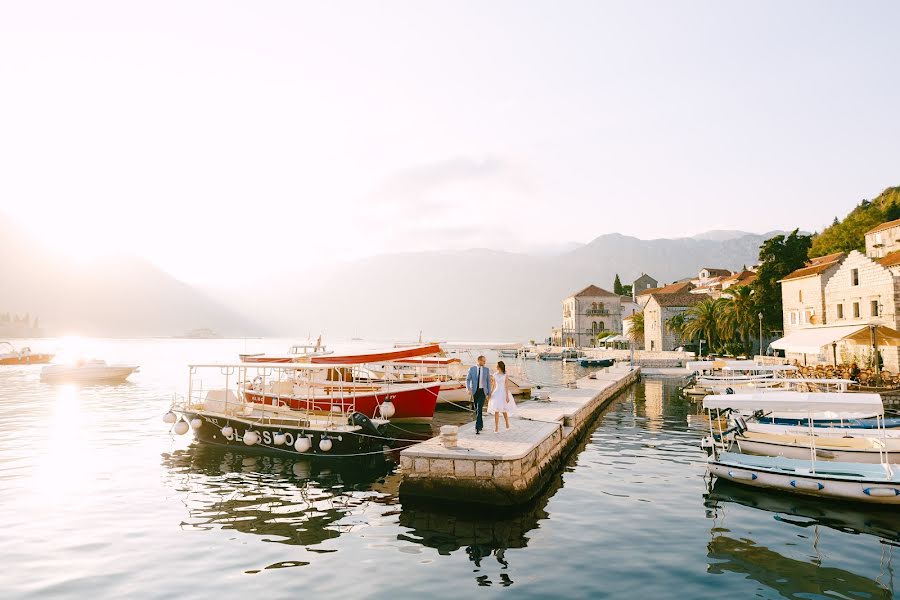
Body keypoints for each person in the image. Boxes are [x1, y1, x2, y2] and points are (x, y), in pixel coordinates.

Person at [466, 355, 492, 434]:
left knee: (479, 408)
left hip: (483, 391)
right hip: (475, 391)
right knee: (477, 410)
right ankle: (481, 424)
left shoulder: (486, 370)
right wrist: (468, 388)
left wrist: (489, 393)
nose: (485, 362)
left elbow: (488, 382)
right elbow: (467, 379)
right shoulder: (472, 369)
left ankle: (477, 427)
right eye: (483, 361)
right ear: (479, 361)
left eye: (485, 361)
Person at [488, 360, 516, 433]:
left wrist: (507, 396)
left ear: (500, 367)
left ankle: (507, 423)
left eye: (497, 365)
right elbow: (493, 385)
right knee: (496, 410)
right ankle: (496, 427)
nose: (496, 367)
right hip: (496, 393)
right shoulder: (495, 375)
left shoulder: (505, 374)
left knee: (504, 410)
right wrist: (490, 393)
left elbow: (506, 386)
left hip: (503, 392)